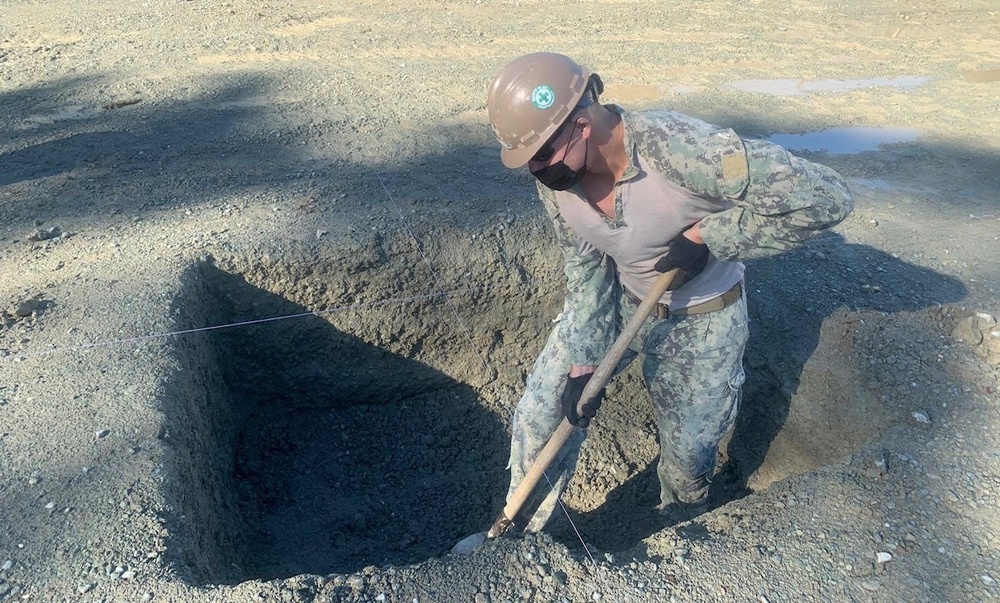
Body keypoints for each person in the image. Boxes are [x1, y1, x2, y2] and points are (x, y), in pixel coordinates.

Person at [487, 52, 854, 531]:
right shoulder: (555, 180)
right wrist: (582, 359)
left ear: (580, 125)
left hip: (702, 319)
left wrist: (710, 239)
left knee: (687, 463)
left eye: (541, 157)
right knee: (544, 415)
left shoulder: (683, 151)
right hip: (622, 304)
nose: (537, 171)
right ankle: (518, 540)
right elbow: (586, 268)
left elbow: (828, 197)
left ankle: (668, 546)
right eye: (528, 162)